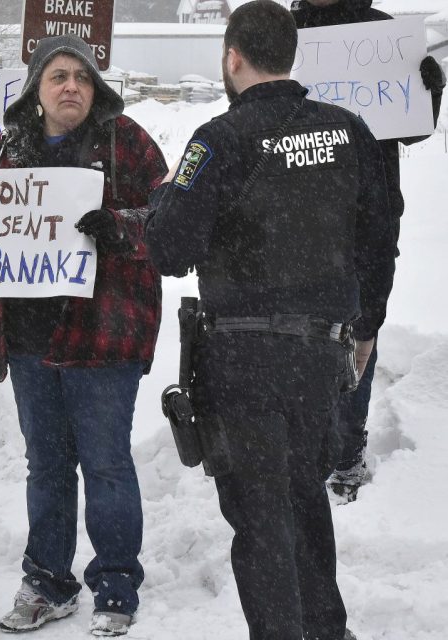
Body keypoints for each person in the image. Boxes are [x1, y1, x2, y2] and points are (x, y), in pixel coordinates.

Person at [145, 2, 395, 639]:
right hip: (320, 357)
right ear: (292, 54)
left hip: (242, 359)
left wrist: (167, 196)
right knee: (306, 502)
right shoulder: (347, 130)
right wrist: (367, 325)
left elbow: (171, 249)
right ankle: (327, 629)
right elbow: (380, 233)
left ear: (232, 57)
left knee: (260, 521)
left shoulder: (218, 140)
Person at [0, 34, 166, 637]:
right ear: (37, 87)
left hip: (103, 338)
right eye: (58, 76)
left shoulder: (127, 142)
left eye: (82, 79)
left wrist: (121, 226)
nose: (71, 88)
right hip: (32, 339)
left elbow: (169, 218)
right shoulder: (7, 151)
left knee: (107, 462)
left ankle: (115, 583)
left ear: (97, 89)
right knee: (47, 467)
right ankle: (47, 582)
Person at [291, 0, 446, 502]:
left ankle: (347, 447)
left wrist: (428, 88)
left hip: (372, 211)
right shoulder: (288, 32)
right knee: (303, 330)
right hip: (298, 212)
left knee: (363, 325)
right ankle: (309, 440)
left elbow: (412, 126)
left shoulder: (384, 31)